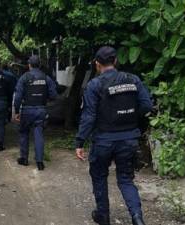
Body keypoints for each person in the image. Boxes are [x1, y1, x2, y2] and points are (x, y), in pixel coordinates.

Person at [75, 46, 152, 225]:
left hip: (103, 140)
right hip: (128, 139)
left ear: (97, 64)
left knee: (99, 176)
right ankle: (137, 218)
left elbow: (89, 116)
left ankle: (103, 216)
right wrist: (132, 118)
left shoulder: (95, 85)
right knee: (125, 179)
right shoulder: (133, 80)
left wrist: (80, 141)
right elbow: (147, 105)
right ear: (115, 61)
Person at [14, 55, 57, 171]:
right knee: (39, 135)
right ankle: (40, 162)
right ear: (40, 65)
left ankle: (24, 159)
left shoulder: (24, 77)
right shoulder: (46, 78)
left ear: (29, 65)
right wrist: (44, 99)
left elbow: (17, 97)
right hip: (41, 110)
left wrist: (17, 111)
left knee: (24, 133)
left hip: (27, 110)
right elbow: (53, 95)